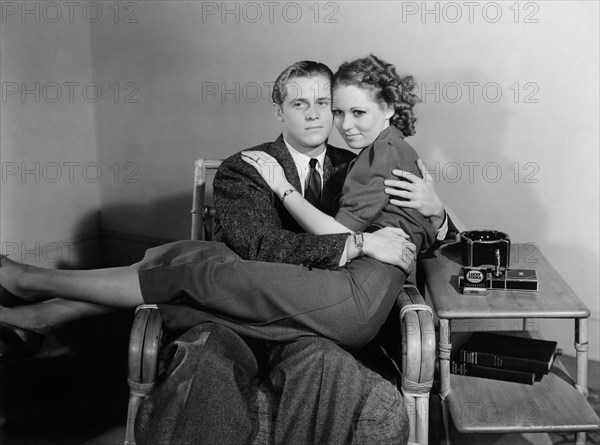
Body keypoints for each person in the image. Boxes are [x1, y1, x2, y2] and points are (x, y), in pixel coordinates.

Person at [1, 56, 453, 442]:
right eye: (303, 104)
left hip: (319, 317)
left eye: (324, 105)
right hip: (257, 317)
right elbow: (260, 246)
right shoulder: (247, 168)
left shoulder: (359, 162)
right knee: (200, 269)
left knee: (196, 265)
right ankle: (42, 299)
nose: (321, 118)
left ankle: (43, 296)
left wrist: (439, 211)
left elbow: (423, 234)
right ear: (280, 111)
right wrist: (356, 241)